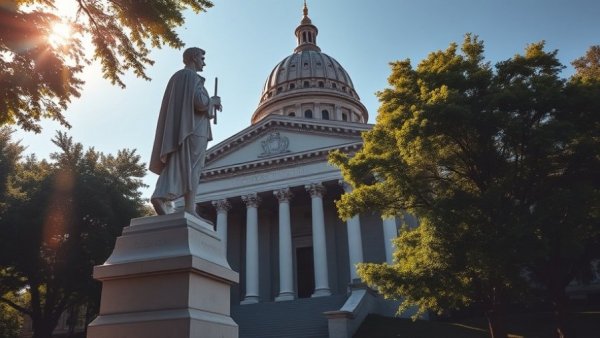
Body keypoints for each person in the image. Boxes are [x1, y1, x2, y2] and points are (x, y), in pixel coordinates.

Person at [149, 47, 222, 219]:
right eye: (202, 58)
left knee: (178, 162)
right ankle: (188, 207)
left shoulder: (177, 77)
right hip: (194, 128)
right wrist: (212, 101)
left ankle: (162, 194)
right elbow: (199, 102)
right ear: (194, 58)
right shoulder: (191, 77)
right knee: (193, 167)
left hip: (182, 127)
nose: (204, 62)